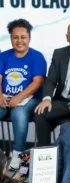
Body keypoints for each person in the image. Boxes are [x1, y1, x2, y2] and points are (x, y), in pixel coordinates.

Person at [0, 19, 47, 168]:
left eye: (23, 37)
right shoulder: (4, 56)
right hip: (5, 98)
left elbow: (37, 82)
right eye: (15, 37)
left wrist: (18, 97)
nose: (19, 41)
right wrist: (0, 95)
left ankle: (18, 155)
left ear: (29, 38)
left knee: (18, 113)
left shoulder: (37, 57)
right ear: (11, 38)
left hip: (29, 99)